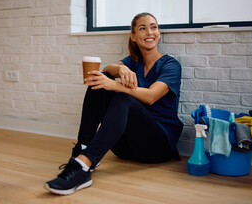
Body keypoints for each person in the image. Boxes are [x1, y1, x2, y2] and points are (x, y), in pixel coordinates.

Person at [45, 12, 183, 195]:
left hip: (157, 147)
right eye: (143, 28)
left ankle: (83, 165)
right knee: (101, 80)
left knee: (122, 95)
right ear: (133, 36)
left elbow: (151, 96)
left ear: (158, 32)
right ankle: (83, 148)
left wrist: (116, 86)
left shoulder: (170, 65)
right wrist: (121, 68)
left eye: (154, 27)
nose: (150, 32)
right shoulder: (133, 62)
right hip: (125, 147)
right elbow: (108, 69)